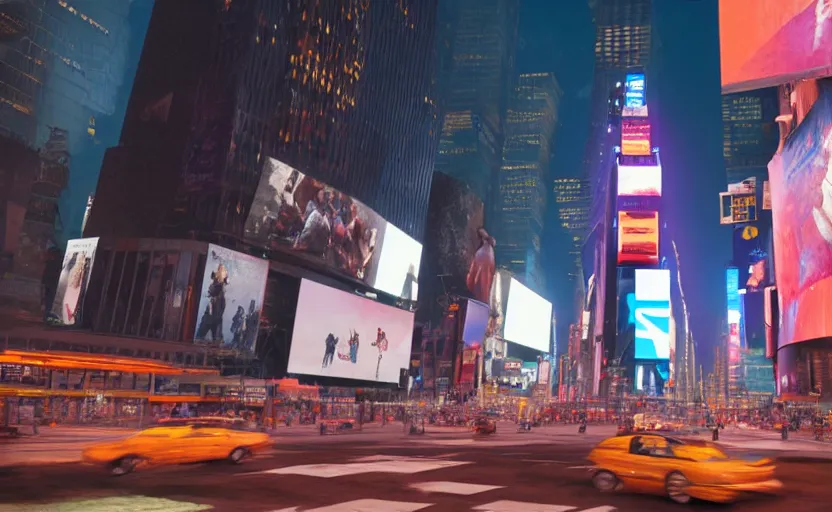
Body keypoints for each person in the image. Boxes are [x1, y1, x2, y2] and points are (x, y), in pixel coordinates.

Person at [466, 228, 496, 304]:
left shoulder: (481, 253)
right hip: (487, 285)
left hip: (479, 285)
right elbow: (492, 270)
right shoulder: (490, 251)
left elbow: (472, 273)